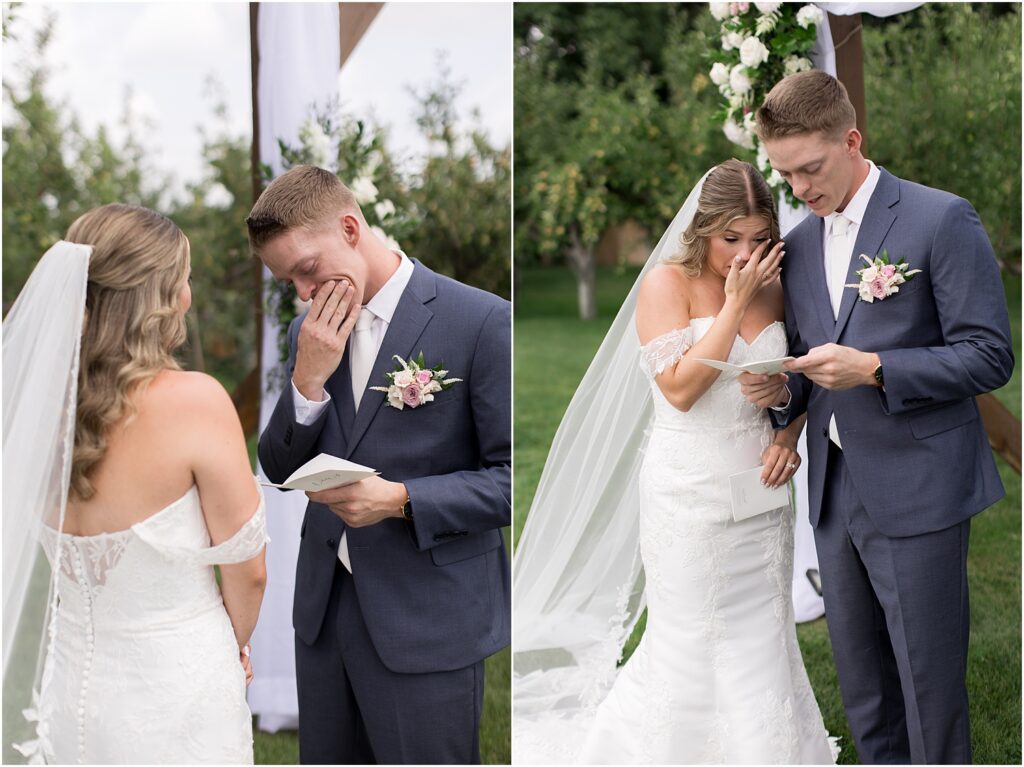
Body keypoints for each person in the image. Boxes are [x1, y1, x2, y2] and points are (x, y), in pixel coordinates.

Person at [513, 159, 835, 764]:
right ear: (702, 229)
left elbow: (799, 378)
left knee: (762, 631)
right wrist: (736, 305)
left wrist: (786, 421)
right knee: (690, 635)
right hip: (687, 489)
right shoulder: (667, 283)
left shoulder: (780, 279)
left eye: (759, 238)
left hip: (762, 488)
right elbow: (680, 390)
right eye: (730, 239)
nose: (745, 253)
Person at [742, 70, 1013, 764]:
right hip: (835, 492)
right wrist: (781, 397)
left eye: (810, 168)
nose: (800, 189)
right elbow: (808, 356)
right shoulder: (799, 244)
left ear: (852, 140)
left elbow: (987, 356)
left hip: (920, 485)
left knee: (928, 683)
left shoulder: (939, 218)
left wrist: (879, 368)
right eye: (785, 173)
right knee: (864, 687)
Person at [249, 165, 511, 764]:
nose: (303, 293)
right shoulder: (306, 332)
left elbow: (510, 481)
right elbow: (278, 463)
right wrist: (307, 379)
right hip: (326, 611)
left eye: (306, 269)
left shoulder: (481, 322)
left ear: (348, 226)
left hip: (427, 614)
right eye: (288, 280)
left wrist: (401, 499)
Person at [3, 204, 268, 764]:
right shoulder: (195, 401)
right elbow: (249, 571)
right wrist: (233, 646)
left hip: (71, 686)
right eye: (185, 279)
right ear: (161, 296)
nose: (189, 294)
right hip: (176, 687)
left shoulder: (34, 407)